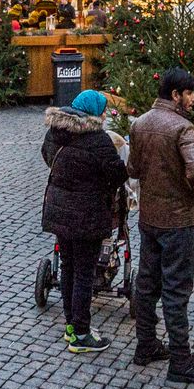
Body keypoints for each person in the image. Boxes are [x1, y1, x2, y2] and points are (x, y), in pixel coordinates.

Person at [127, 67, 194, 384]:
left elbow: (133, 168)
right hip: (178, 220)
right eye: (189, 93)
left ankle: (146, 345)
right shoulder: (183, 128)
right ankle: (181, 359)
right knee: (176, 290)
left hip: (149, 218)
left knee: (147, 283)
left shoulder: (139, 123)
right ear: (176, 95)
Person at [40, 88, 129, 353]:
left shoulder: (55, 131)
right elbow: (118, 174)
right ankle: (81, 333)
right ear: (93, 112)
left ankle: (71, 325)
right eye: (103, 111)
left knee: (68, 267)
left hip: (59, 209)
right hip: (86, 215)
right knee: (83, 274)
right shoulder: (97, 139)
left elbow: (47, 157)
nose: (104, 116)